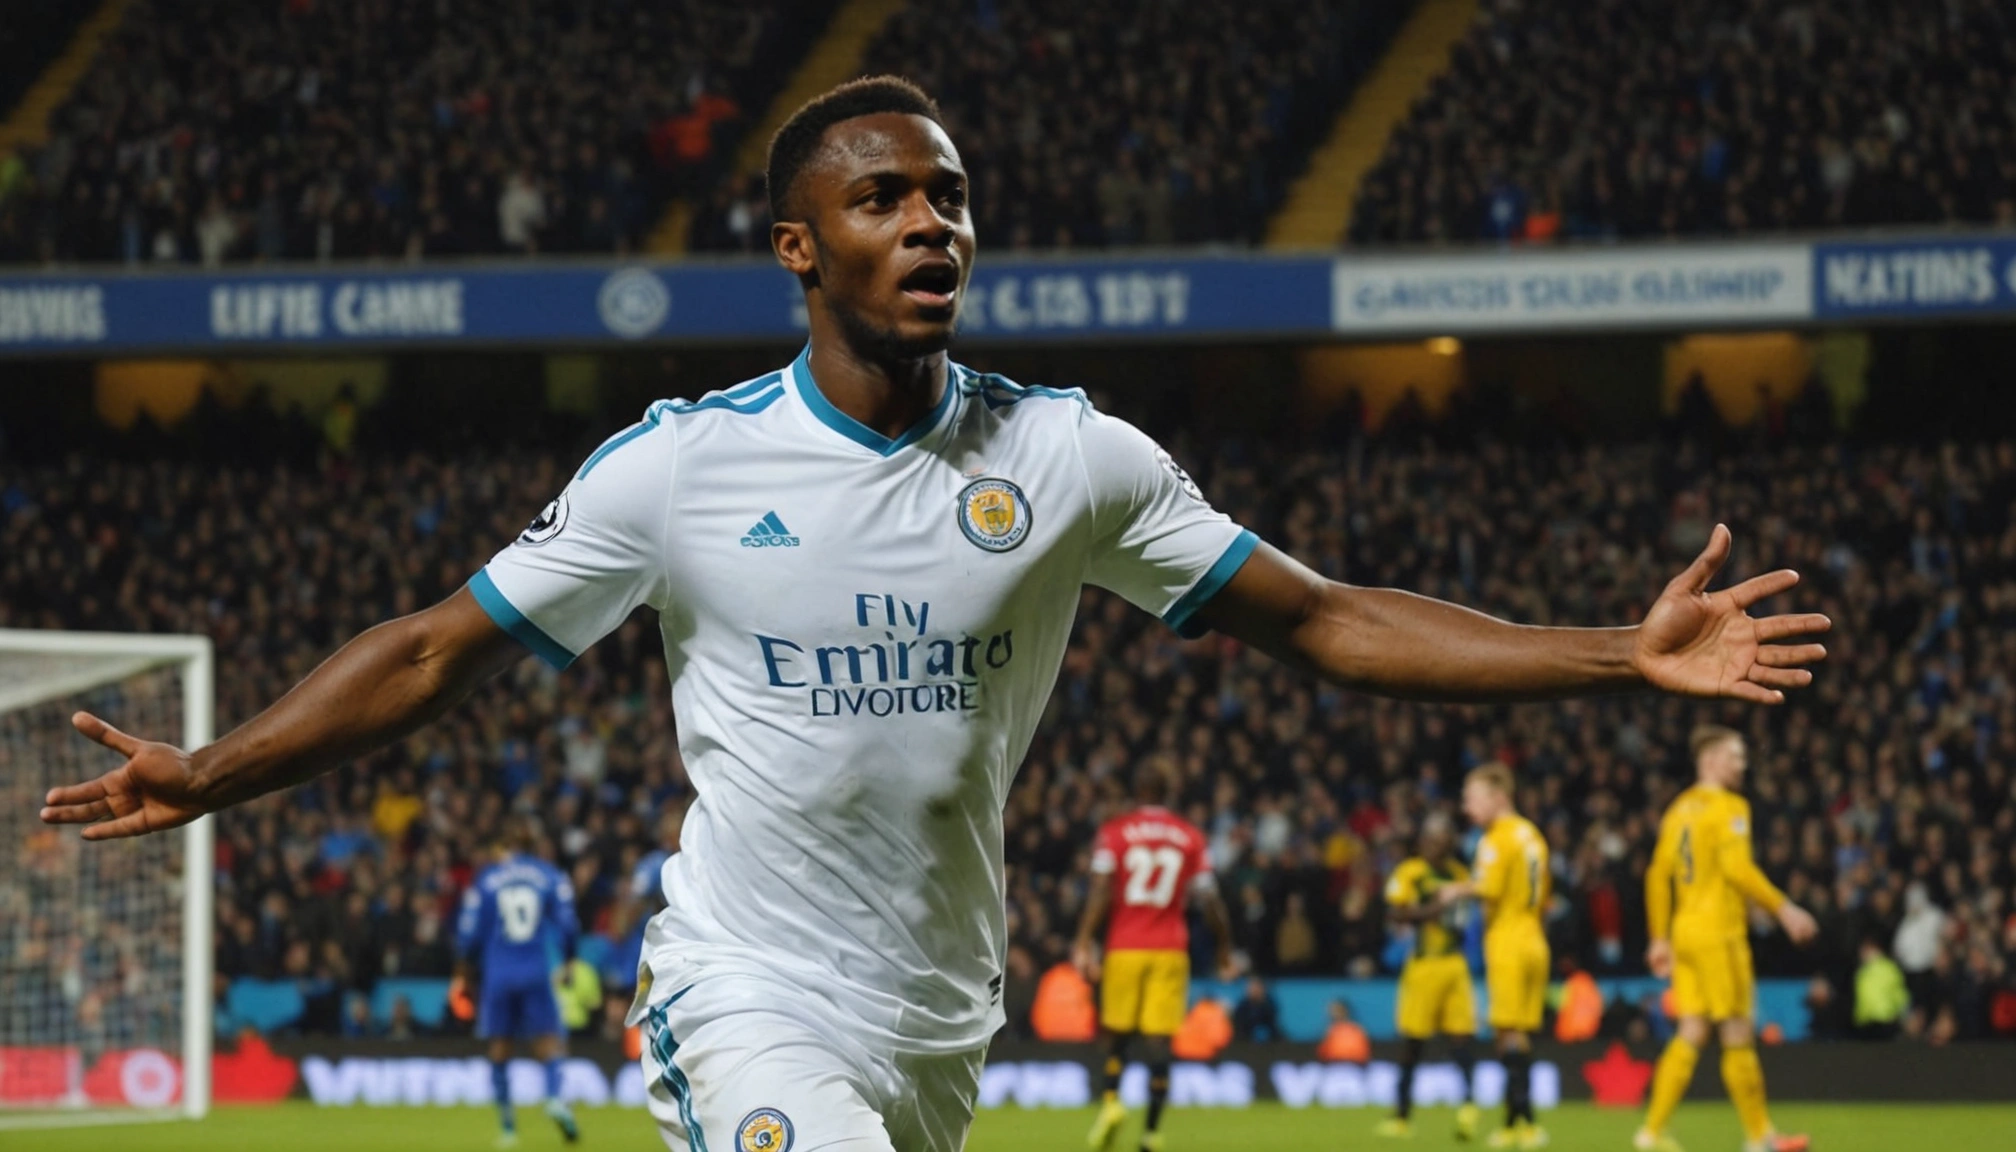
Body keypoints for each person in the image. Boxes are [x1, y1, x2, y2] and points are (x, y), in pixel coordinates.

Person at [39, 76, 1830, 1152]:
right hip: (742, 989)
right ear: (798, 248)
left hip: (940, 1019)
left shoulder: (1070, 459)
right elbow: (438, 645)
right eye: (882, 199)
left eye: (950, 199)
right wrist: (216, 770)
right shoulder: (680, 467)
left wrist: (1617, 651)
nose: (930, 226)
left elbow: (1326, 620)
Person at [1635, 727, 1819, 1152]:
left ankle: (1651, 1132)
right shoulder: (1730, 807)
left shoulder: (1678, 809)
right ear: (1711, 760)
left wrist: (1658, 937)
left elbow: (1657, 875)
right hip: (1719, 933)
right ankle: (1760, 1137)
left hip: (1685, 932)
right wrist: (1784, 908)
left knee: (1692, 1030)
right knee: (1737, 1032)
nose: (1742, 764)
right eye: (1734, 756)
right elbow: (1737, 869)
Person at [1073, 766, 1235, 1152]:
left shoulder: (1115, 832)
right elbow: (1209, 897)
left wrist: (1083, 940)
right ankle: (1151, 1134)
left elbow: (1101, 890)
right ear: (1168, 793)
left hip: (1124, 946)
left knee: (1117, 1033)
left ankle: (1112, 1103)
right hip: (1169, 949)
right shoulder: (1190, 836)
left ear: (1137, 791)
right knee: (1159, 1041)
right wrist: (1224, 948)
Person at [1440, 764, 1551, 1149]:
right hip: (1535, 939)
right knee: (1519, 1034)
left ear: (1499, 797)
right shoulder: (1532, 834)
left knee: (1507, 1034)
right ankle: (1514, 1124)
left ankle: (1525, 1124)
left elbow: (1487, 887)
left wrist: (1454, 891)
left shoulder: (1496, 838)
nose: (1467, 807)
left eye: (1473, 798)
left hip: (1507, 940)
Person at [453, 817, 582, 1147]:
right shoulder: (549, 875)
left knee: (499, 1048)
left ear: (503, 846)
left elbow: (468, 933)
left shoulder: (487, 879)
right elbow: (568, 924)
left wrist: (464, 972)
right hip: (535, 970)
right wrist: (568, 960)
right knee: (549, 1041)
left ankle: (508, 1128)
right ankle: (553, 1097)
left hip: (498, 972)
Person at [1376, 812, 1481, 1140]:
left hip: (1455, 964)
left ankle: (1469, 1108)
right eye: (1430, 836)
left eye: (1441, 836)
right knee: (1413, 1043)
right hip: (1423, 965)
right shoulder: (1411, 872)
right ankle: (1402, 1115)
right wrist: (1432, 911)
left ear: (1450, 840)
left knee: (1461, 1038)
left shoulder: (1459, 874)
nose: (1434, 843)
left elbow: (1466, 918)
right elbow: (1394, 912)